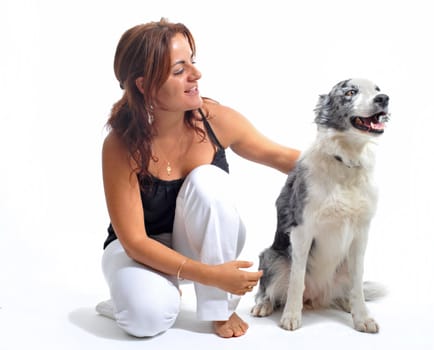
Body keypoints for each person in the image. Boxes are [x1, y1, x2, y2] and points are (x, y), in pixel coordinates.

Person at [96, 18, 300, 339]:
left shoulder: (215, 119)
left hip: (198, 241)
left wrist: (346, 160)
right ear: (144, 85)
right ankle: (133, 298)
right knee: (145, 320)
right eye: (179, 71)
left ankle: (219, 310)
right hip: (138, 251)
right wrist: (210, 275)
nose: (196, 74)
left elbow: (282, 157)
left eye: (193, 61)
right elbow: (135, 242)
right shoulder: (120, 145)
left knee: (208, 179)